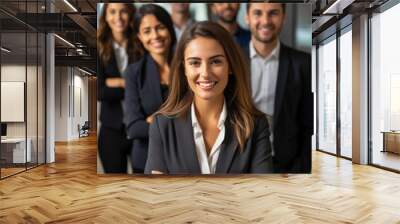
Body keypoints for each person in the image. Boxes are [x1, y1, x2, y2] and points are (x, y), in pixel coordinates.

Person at [144, 21, 273, 175]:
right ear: (183, 69)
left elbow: (261, 193)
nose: (205, 73)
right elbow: (156, 194)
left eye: (216, 61)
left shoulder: (256, 125)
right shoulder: (162, 125)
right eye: (195, 63)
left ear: (230, 66)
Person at [245, 3, 313, 173]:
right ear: (247, 17)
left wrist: (301, 168)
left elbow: (308, 124)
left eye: (273, 13)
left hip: (287, 166)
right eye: (258, 13)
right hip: (242, 162)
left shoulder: (303, 64)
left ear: (284, 17)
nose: (265, 21)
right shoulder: (232, 62)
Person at [124, 4, 176, 173]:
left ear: (169, 28)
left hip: (184, 158)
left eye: (160, 27)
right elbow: (134, 128)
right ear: (139, 36)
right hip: (146, 159)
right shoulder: (133, 72)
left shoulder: (188, 66)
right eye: (147, 31)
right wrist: (177, 122)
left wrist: (155, 120)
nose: (155, 36)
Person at [97, 3, 136, 173]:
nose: (118, 17)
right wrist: (126, 83)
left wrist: (113, 82)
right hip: (111, 131)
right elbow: (100, 91)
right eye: (112, 12)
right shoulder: (99, 48)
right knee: (115, 189)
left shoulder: (141, 46)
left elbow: (147, 87)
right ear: (105, 16)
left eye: (123, 12)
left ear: (130, 14)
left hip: (140, 129)